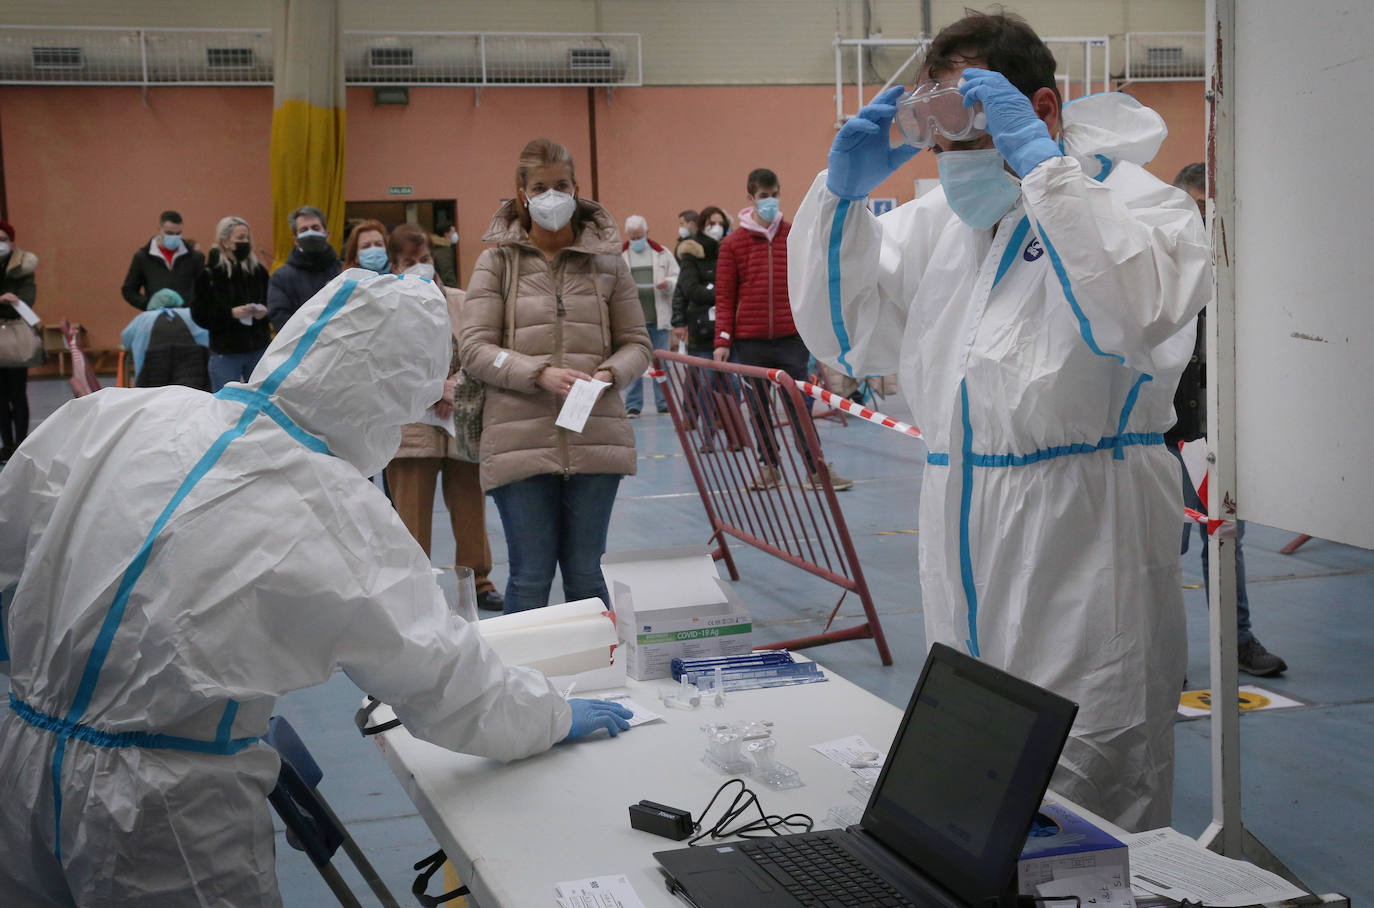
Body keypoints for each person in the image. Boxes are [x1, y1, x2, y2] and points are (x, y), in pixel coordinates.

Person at [0, 270, 633, 906]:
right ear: (397, 388)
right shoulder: (336, 512)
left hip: (18, 765)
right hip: (165, 814)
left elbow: (7, 546)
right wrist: (550, 717)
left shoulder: (119, 414)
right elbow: (447, 683)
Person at [788, 11, 1211, 832]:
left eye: (968, 124)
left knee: (1090, 762)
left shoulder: (1138, 204)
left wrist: (1046, 174)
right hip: (960, 517)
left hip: (1088, 524)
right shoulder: (941, 223)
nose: (947, 155)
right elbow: (846, 333)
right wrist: (838, 201)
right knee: (972, 748)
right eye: (932, 128)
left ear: (1040, 111)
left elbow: (1130, 309)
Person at [460, 138, 651, 614]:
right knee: (529, 574)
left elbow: (638, 344)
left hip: (595, 437)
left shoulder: (608, 262)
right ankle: (517, 688)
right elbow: (474, 349)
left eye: (561, 185)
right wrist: (537, 374)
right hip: (518, 441)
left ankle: (597, 679)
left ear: (577, 189)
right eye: (540, 186)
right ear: (521, 194)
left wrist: (609, 371)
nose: (552, 195)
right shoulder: (496, 263)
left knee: (588, 574)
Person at [1169, 162, 1286, 678]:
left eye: (1206, 209)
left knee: (1224, 539)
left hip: (1207, 438)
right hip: (1157, 438)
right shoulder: (1156, 271)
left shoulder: (1226, 279)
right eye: (1191, 207)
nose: (1198, 218)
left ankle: (1237, 640)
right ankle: (1162, 651)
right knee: (1160, 548)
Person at [383, 223, 504, 612]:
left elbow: (480, 352)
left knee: (470, 506)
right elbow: (384, 364)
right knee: (410, 515)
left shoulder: (461, 301)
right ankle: (415, 590)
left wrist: (457, 385)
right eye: (409, 261)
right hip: (410, 424)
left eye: (424, 259)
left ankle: (479, 581)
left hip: (460, 420)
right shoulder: (384, 306)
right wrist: (431, 388)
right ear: (394, 265)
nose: (419, 266)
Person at [715, 168, 853, 492]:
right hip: (749, 342)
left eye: (774, 194)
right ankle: (769, 468)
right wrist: (723, 339)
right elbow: (724, 295)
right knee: (759, 411)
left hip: (791, 340)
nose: (770, 201)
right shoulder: (732, 244)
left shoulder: (794, 235)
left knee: (799, 407)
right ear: (750, 198)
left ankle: (816, 470)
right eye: (763, 196)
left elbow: (810, 283)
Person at [192, 216, 271, 392]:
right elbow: (199, 314)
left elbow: (272, 300)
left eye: (248, 238)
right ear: (225, 241)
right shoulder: (209, 274)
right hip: (226, 351)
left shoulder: (258, 271)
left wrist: (265, 311)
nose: (246, 242)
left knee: (262, 401)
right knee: (225, 403)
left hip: (258, 347)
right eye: (241, 238)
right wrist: (230, 314)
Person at [621, 214, 678, 416]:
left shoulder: (662, 253)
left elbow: (677, 276)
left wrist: (668, 284)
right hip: (633, 322)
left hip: (659, 320)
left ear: (647, 233)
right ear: (627, 236)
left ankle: (663, 403)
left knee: (660, 364)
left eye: (640, 236)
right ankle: (633, 405)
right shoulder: (620, 256)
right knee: (633, 364)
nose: (636, 241)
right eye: (633, 237)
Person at [267, 205, 342, 332]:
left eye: (315, 228)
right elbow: (279, 317)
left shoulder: (343, 270)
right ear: (295, 240)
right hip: (302, 347)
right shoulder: (281, 277)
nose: (310, 233)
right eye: (303, 230)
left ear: (327, 234)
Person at [120, 288, 211, 389]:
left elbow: (126, 340)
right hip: (192, 375)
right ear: (178, 300)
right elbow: (207, 338)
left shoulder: (143, 318)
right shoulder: (190, 314)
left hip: (152, 373)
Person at [0, 219, 37, 461]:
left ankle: (22, 443)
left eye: (2, 240)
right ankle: (7, 443)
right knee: (1, 397)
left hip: (16, 338)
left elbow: (25, 301)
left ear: (12, 242)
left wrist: (10, 302)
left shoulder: (24, 268)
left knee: (18, 395)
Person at [121, 210, 206, 311]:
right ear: (159, 230)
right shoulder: (143, 258)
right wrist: (147, 304)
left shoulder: (194, 258)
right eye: (169, 233)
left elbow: (204, 289)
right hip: (157, 317)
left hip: (187, 317)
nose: (174, 237)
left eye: (178, 233)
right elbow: (129, 290)